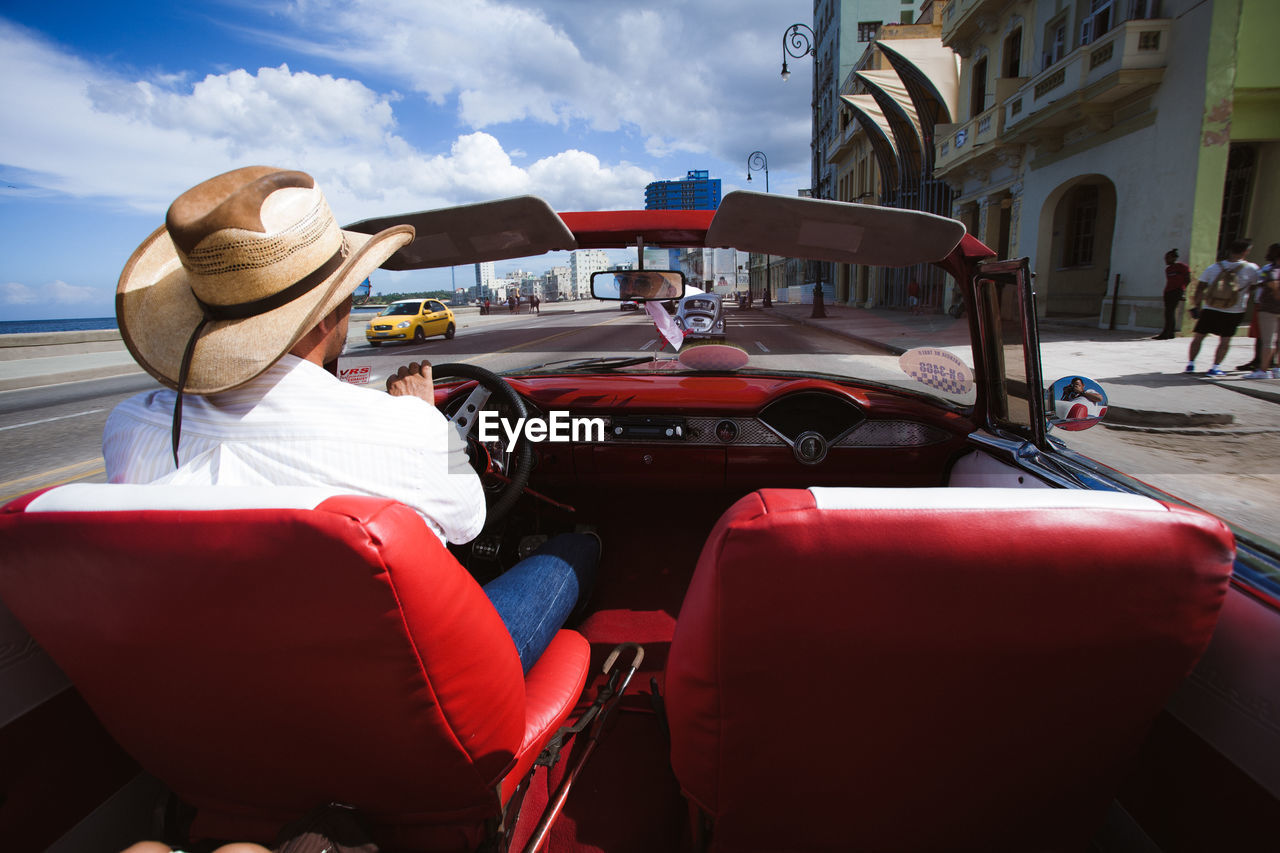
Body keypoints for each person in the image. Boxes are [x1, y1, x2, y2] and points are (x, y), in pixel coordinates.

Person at [103, 166, 597, 674]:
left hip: (231, 682)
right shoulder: (405, 428)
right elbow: (469, 523)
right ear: (324, 314)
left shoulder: (130, 427)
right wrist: (429, 422)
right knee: (575, 548)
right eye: (351, 294)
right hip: (412, 686)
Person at [1185, 238, 1259, 376]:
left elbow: (1200, 288)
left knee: (1199, 337)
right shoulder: (1251, 269)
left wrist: (1196, 306)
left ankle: (1190, 364)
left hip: (1211, 308)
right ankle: (1215, 367)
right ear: (1246, 251)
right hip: (1234, 309)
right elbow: (1254, 286)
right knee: (1225, 340)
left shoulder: (1213, 268)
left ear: (1230, 250)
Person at [1246, 244, 1280, 380]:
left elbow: (1273, 284)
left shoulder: (1270, 269)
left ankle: (1263, 370)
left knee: (1268, 342)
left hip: (1269, 309)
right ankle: (1277, 369)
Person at [1154, 248, 1190, 339]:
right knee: (1169, 312)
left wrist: (1182, 291)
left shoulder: (1182, 267)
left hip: (1176, 291)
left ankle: (1166, 333)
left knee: (1169, 312)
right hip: (1168, 292)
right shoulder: (1168, 269)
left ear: (1174, 258)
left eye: (1168, 258)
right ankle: (1170, 333)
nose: (1166, 260)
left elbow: (1187, 279)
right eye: (1165, 258)